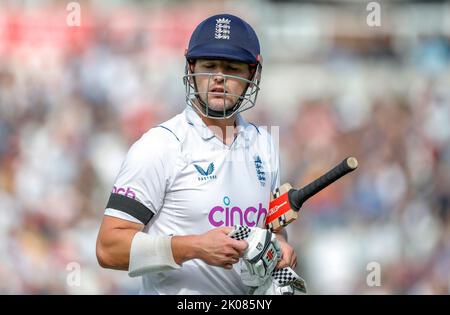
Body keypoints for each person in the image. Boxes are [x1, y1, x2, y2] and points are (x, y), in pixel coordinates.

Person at [96, 13, 298, 295]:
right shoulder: (160, 146)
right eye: (209, 65)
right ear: (191, 67)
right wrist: (194, 247)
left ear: (253, 73)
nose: (218, 77)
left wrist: (280, 245)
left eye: (232, 68)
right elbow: (108, 248)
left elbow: (271, 228)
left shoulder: (264, 144)